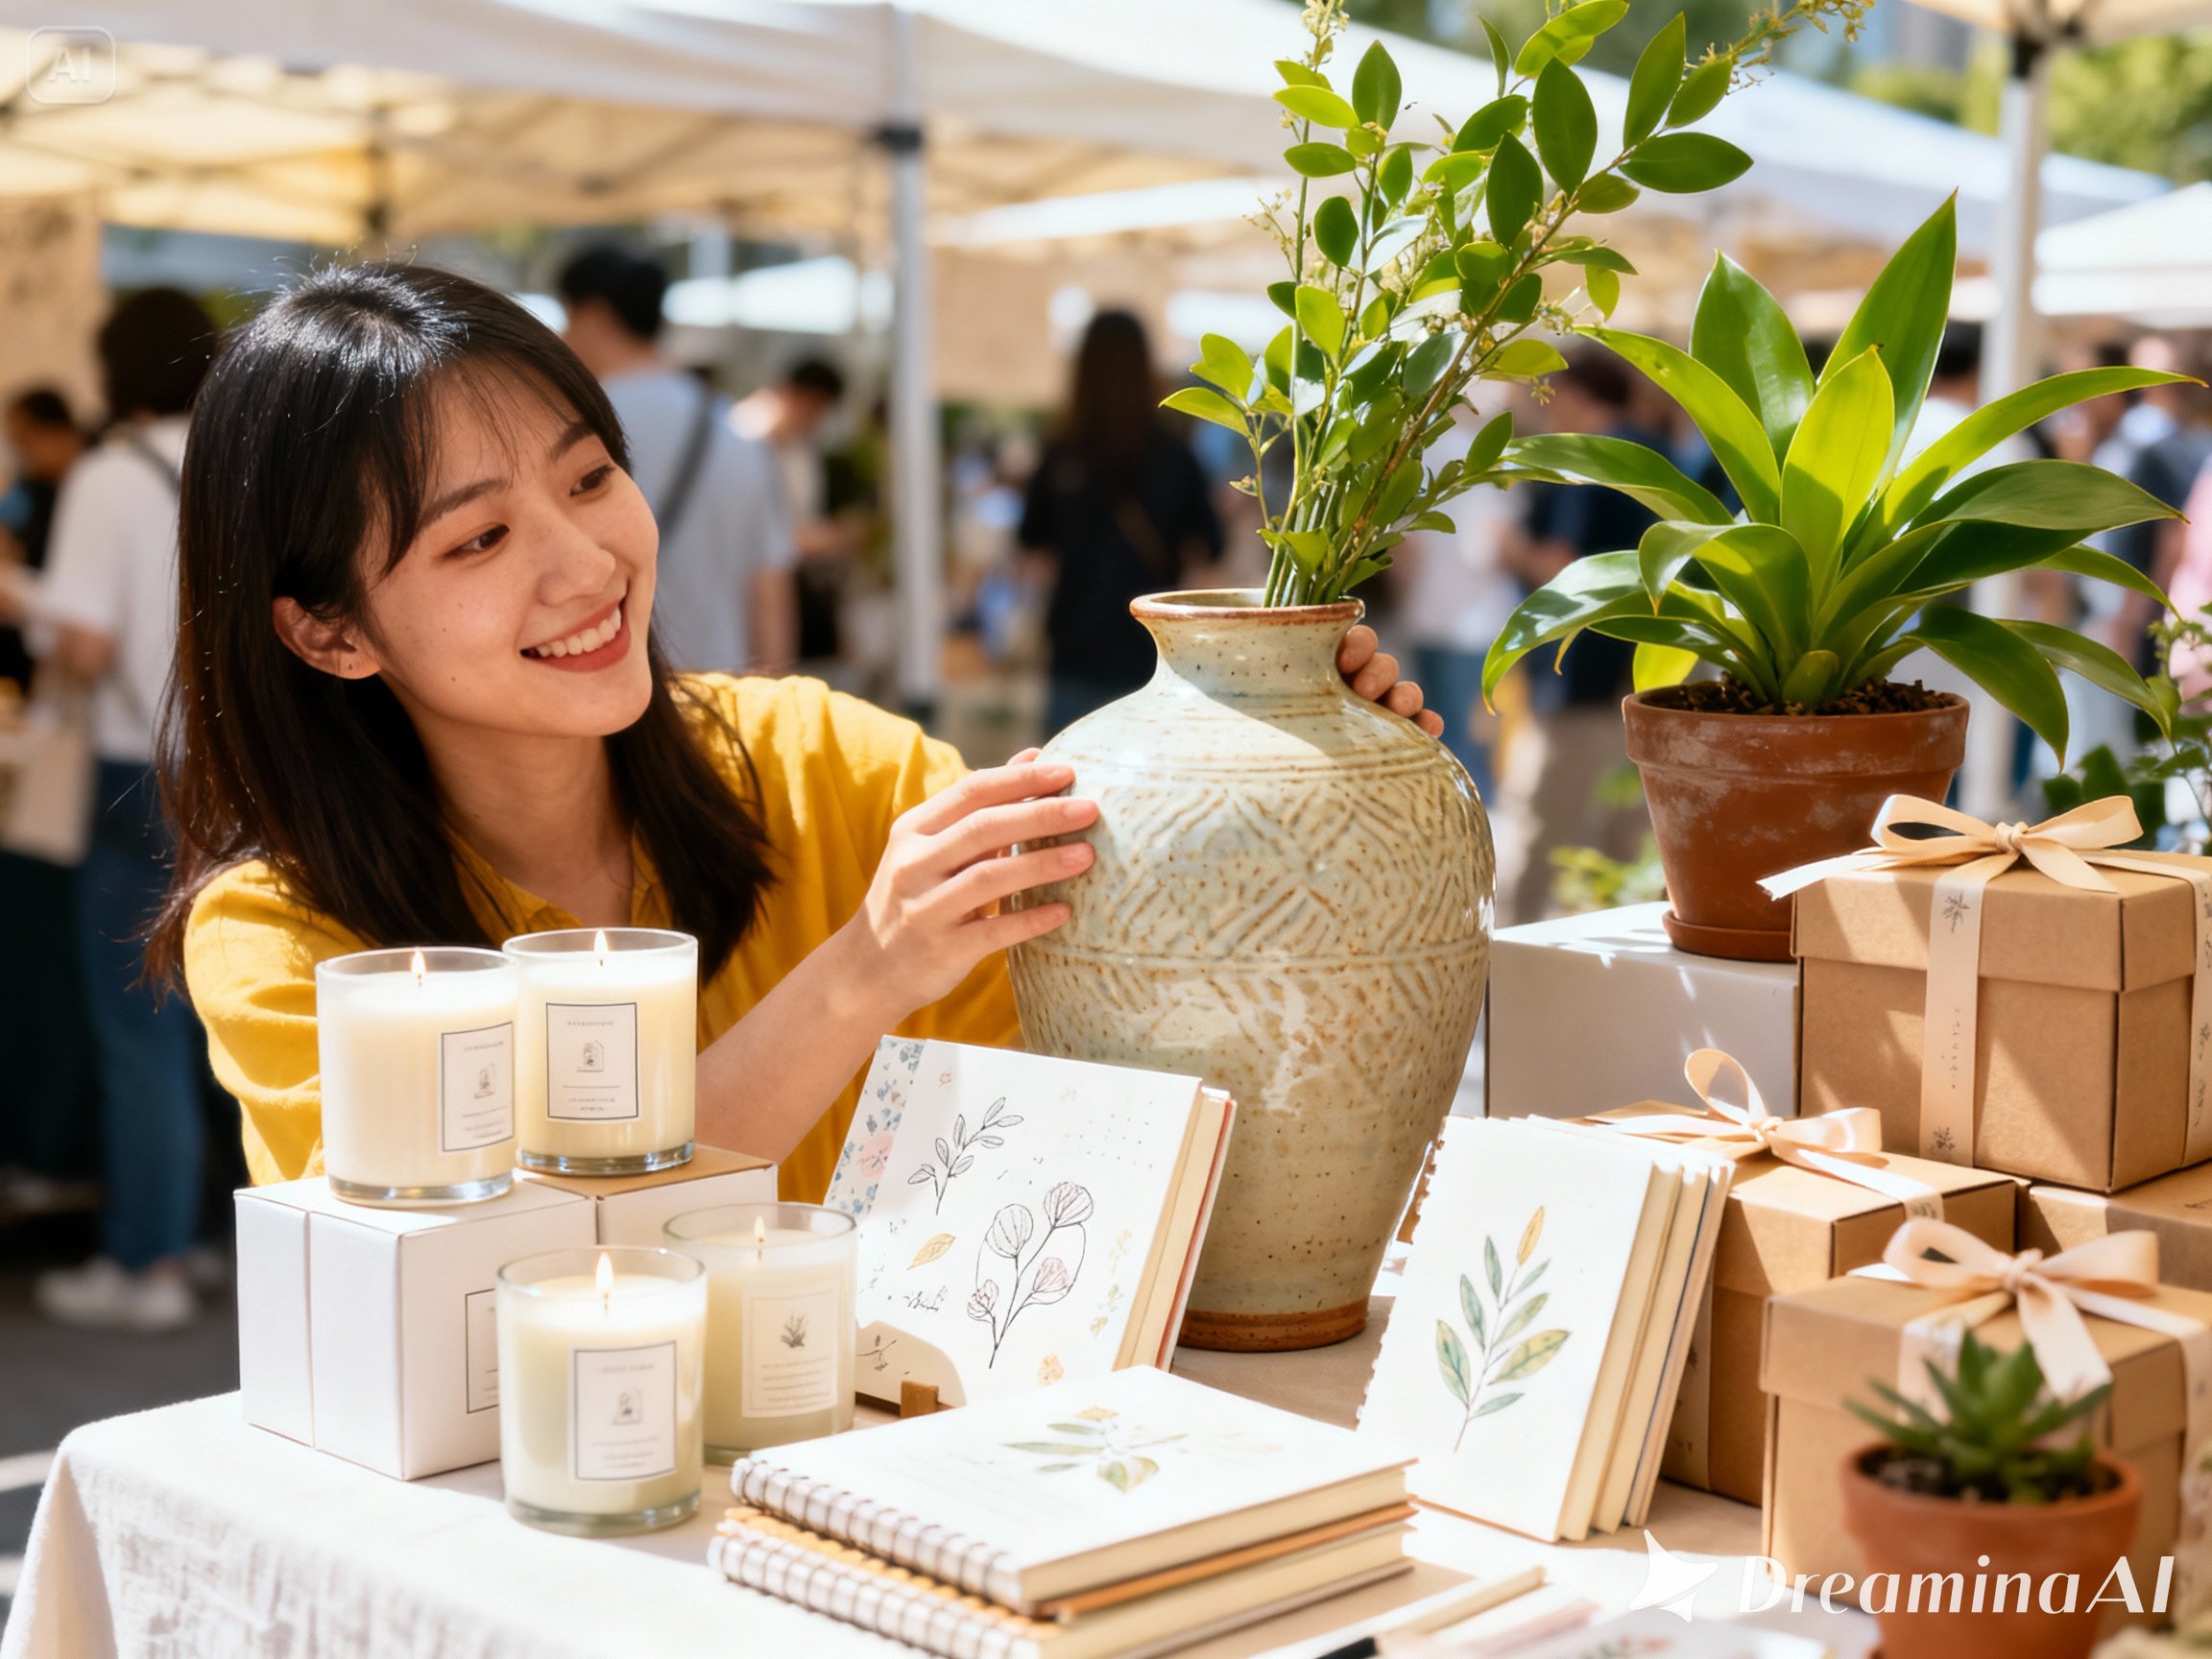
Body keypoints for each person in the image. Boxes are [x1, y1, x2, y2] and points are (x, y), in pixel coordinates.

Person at [156, 264, 1437, 1205]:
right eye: (480, 537)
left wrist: (1301, 770)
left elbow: (1138, 1038)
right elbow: (476, 1272)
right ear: (330, 632)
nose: (587, 562)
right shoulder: (287, 939)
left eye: (593, 476)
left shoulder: (828, 766)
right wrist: (862, 974)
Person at [21, 290, 218, 1330]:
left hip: (138, 771)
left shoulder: (109, 473)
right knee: (220, 1011)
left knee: (138, 1026)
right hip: (243, 772)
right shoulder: (243, 457)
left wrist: (25, 604)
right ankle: (205, 1236)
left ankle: (149, 1263)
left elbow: (88, 644)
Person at [557, 246, 797, 675]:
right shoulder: (735, 432)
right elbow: (768, 590)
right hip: (726, 697)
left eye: (566, 317)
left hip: (617, 694)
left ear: (593, 315)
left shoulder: (567, 433)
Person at [1492, 351, 1656, 926]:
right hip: (1640, 678)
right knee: (1627, 834)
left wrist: (1509, 549)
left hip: (1576, 677)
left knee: (1537, 826)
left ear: (1576, 392)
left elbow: (1564, 568)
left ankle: (1508, 958)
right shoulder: (1646, 453)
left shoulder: (1587, 463)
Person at [1019, 311, 1224, 735]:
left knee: (1067, 784)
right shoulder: (1174, 456)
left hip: (1075, 645)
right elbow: (1210, 550)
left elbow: (1033, 554)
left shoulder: (1061, 455)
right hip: (1156, 653)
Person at [733, 358, 851, 668]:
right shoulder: (741, 438)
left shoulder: (799, 446)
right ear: (792, 394)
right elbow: (747, 538)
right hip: (748, 595)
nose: (817, 419)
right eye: (815, 408)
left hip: (784, 584)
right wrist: (818, 539)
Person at [0, 388, 86, 688]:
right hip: (41, 633)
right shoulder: (30, 488)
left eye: (25, 440)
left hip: (78, 640)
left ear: (56, 432)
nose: (21, 451)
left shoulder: (95, 482)